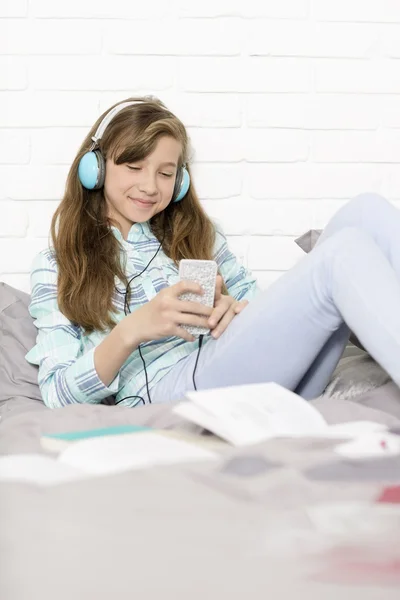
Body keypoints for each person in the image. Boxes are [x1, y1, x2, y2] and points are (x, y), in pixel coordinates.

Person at [26, 96, 400, 409]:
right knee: (341, 254)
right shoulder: (56, 265)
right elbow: (57, 395)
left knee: (366, 211)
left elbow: (270, 318)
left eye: (166, 173)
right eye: (134, 166)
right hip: (174, 392)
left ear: (181, 179)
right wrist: (130, 331)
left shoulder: (199, 235)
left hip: (255, 376)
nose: (149, 186)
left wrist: (235, 311)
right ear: (96, 168)